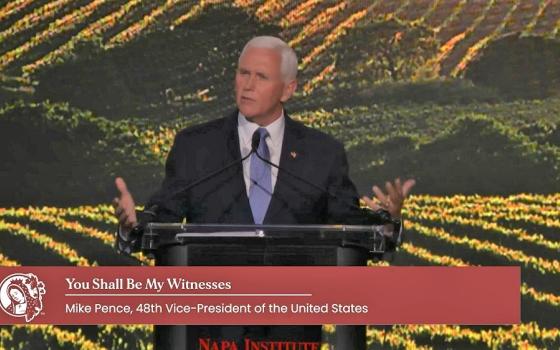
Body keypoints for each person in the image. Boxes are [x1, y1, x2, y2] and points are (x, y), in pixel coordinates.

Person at [113, 35, 415, 345]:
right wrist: (133, 225)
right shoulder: (195, 146)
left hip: (290, 333)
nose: (247, 85)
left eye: (261, 77)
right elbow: (163, 216)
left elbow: (349, 223)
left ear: (288, 89)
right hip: (211, 333)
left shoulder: (322, 153)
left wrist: (386, 223)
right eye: (243, 73)